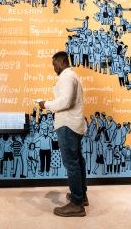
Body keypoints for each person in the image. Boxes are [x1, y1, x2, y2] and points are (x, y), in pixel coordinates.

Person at [39, 51, 88, 217]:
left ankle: (76, 204)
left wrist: (45, 104)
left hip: (67, 125)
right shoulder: (73, 76)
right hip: (74, 124)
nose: (54, 68)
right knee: (78, 161)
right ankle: (82, 196)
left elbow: (65, 101)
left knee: (72, 163)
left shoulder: (67, 77)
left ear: (62, 62)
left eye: (54, 64)